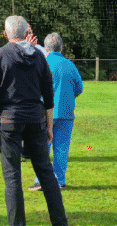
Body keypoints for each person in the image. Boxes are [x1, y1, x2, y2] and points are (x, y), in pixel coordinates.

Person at [0, 16, 71, 226]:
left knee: (12, 177)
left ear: (6, 34)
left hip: (9, 122)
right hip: (36, 120)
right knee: (46, 173)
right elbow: (49, 96)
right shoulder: (40, 57)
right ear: (25, 33)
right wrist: (49, 126)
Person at [29, 32, 84, 190]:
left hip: (45, 111)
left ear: (46, 48)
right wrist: (68, 96)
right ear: (61, 47)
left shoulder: (42, 63)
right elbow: (79, 87)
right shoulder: (70, 65)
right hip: (66, 112)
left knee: (43, 147)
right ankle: (59, 180)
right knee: (61, 148)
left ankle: (41, 180)